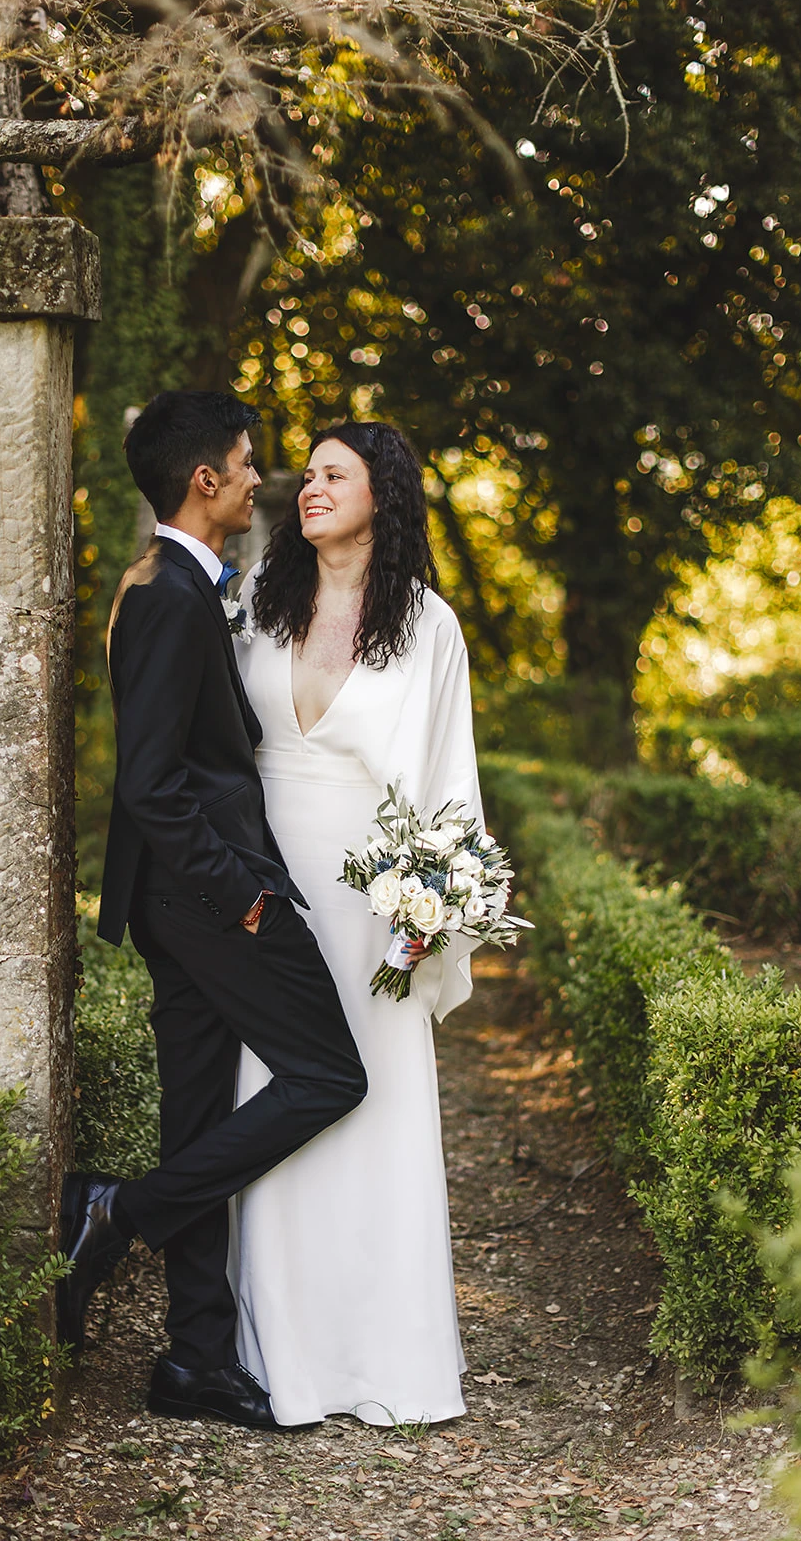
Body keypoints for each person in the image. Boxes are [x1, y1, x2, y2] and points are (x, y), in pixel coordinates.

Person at [58, 391, 367, 1431]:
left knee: (195, 1114)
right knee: (328, 1075)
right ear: (204, 479)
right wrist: (241, 898)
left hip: (178, 899)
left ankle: (193, 1358)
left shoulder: (177, 586)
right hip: (207, 897)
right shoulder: (164, 596)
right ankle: (114, 1211)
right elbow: (151, 784)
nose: (255, 477)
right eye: (244, 461)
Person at [231, 421, 485, 1427]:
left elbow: (448, 780)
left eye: (334, 474)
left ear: (384, 491)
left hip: (371, 896)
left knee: (370, 1100)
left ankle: (381, 1352)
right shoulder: (260, 597)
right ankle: (277, 1350)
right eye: (306, 474)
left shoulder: (426, 625)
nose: (310, 486)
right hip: (260, 883)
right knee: (271, 1091)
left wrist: (427, 909)